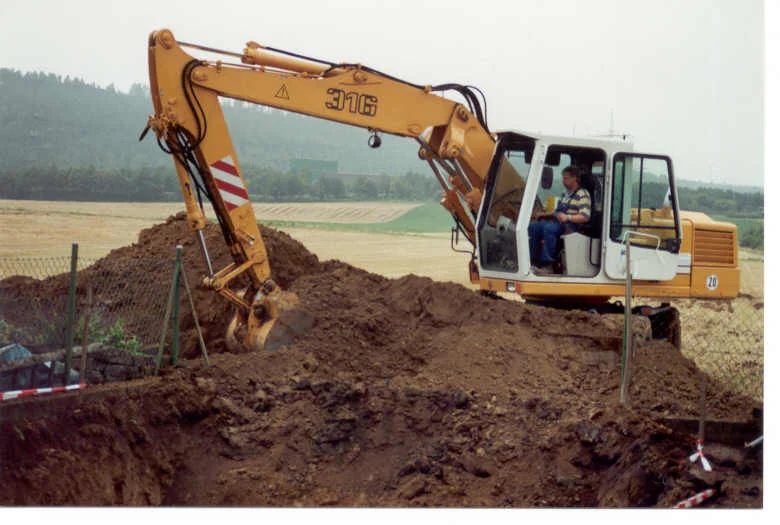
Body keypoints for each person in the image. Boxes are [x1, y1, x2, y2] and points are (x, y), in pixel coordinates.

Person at [528, 165, 591, 273]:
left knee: (549, 228)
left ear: (574, 178)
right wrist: (543, 214)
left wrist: (568, 217)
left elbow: (585, 216)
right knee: (533, 226)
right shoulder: (565, 194)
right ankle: (533, 261)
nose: (563, 181)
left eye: (566, 178)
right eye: (563, 178)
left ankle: (547, 265)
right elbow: (557, 211)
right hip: (558, 223)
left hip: (571, 226)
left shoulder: (583, 194)